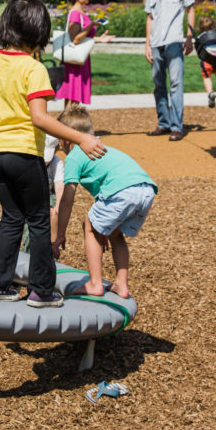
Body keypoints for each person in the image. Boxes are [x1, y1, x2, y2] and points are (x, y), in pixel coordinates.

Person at [0, 0, 107, 308]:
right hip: (24, 154)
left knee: (11, 218)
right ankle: (42, 291)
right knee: (38, 221)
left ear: (6, 25)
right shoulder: (33, 69)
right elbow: (39, 117)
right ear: (40, 33)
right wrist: (81, 139)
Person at [51, 106, 157, 299]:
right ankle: (121, 284)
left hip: (122, 190)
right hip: (146, 189)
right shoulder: (101, 146)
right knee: (116, 234)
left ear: (66, 139)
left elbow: (67, 201)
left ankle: (95, 283)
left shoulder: (75, 155)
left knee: (89, 225)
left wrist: (60, 234)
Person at [144, 0, 195, 141]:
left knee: (175, 83)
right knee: (159, 85)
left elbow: (191, 9)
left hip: (174, 41)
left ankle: (177, 127)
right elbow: (150, 17)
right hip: (156, 43)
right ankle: (164, 123)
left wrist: (189, 37)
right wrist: (147, 44)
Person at [54, 0, 114, 108]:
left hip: (80, 59)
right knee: (73, 100)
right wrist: (91, 25)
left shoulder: (81, 12)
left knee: (75, 100)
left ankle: (70, 125)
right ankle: (69, 125)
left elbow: (82, 38)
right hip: (74, 62)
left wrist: (99, 39)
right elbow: (75, 39)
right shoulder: (75, 14)